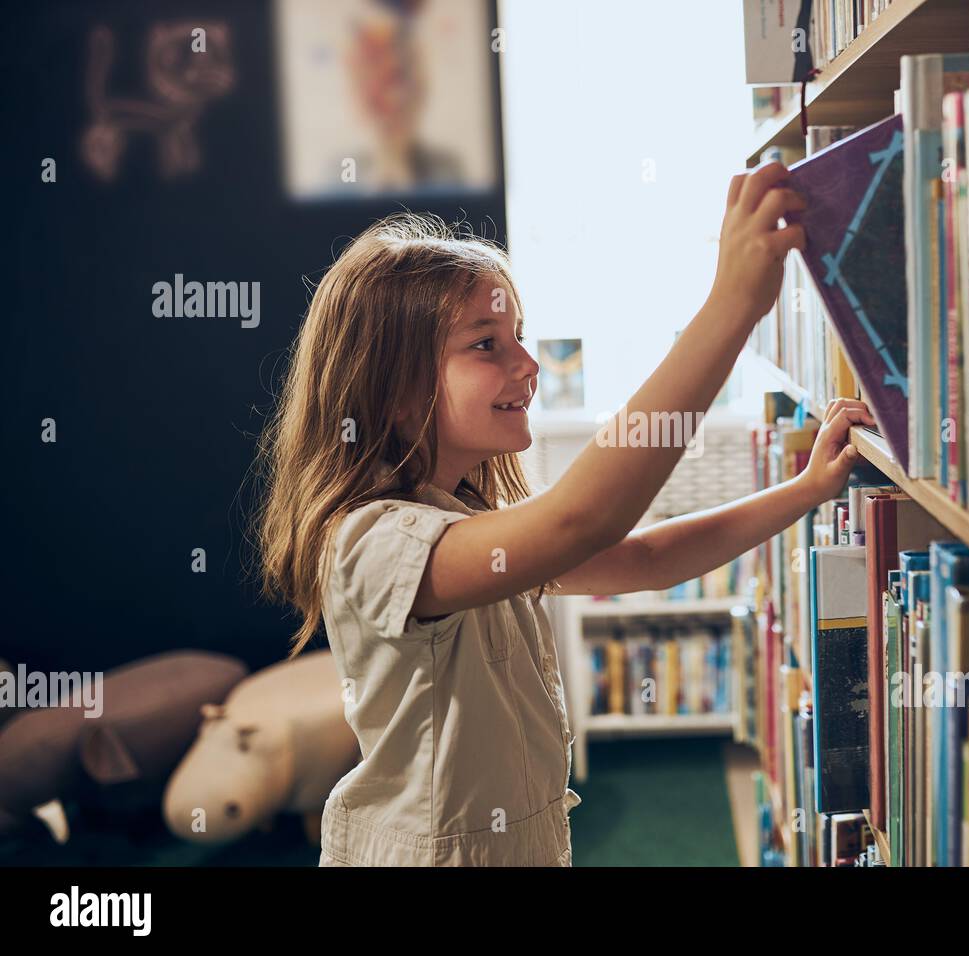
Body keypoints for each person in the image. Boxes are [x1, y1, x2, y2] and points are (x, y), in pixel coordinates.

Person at [254, 161, 872, 866]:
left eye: (518, 335)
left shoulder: (467, 522)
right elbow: (581, 520)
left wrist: (806, 490)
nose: (527, 363)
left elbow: (645, 559)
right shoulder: (373, 540)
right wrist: (731, 305)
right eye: (486, 344)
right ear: (392, 393)